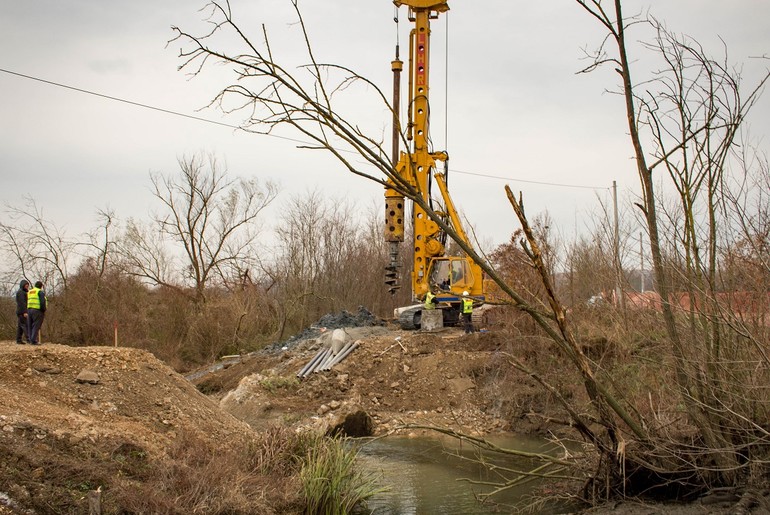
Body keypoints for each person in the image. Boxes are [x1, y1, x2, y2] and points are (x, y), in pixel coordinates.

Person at [27, 281, 47, 345]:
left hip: (29, 309)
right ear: (41, 286)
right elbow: (42, 302)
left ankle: (30, 339)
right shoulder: (40, 292)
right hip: (37, 310)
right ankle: (33, 340)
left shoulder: (30, 292)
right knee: (36, 325)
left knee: (30, 325)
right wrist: (43, 310)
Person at [15, 279, 30, 344]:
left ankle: (18, 339)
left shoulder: (23, 292)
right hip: (22, 311)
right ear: (23, 285)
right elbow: (22, 303)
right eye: (26, 285)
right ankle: (29, 339)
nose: (27, 287)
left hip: (20, 311)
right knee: (25, 325)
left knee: (20, 326)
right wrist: (25, 312)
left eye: (27, 285)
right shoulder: (21, 293)